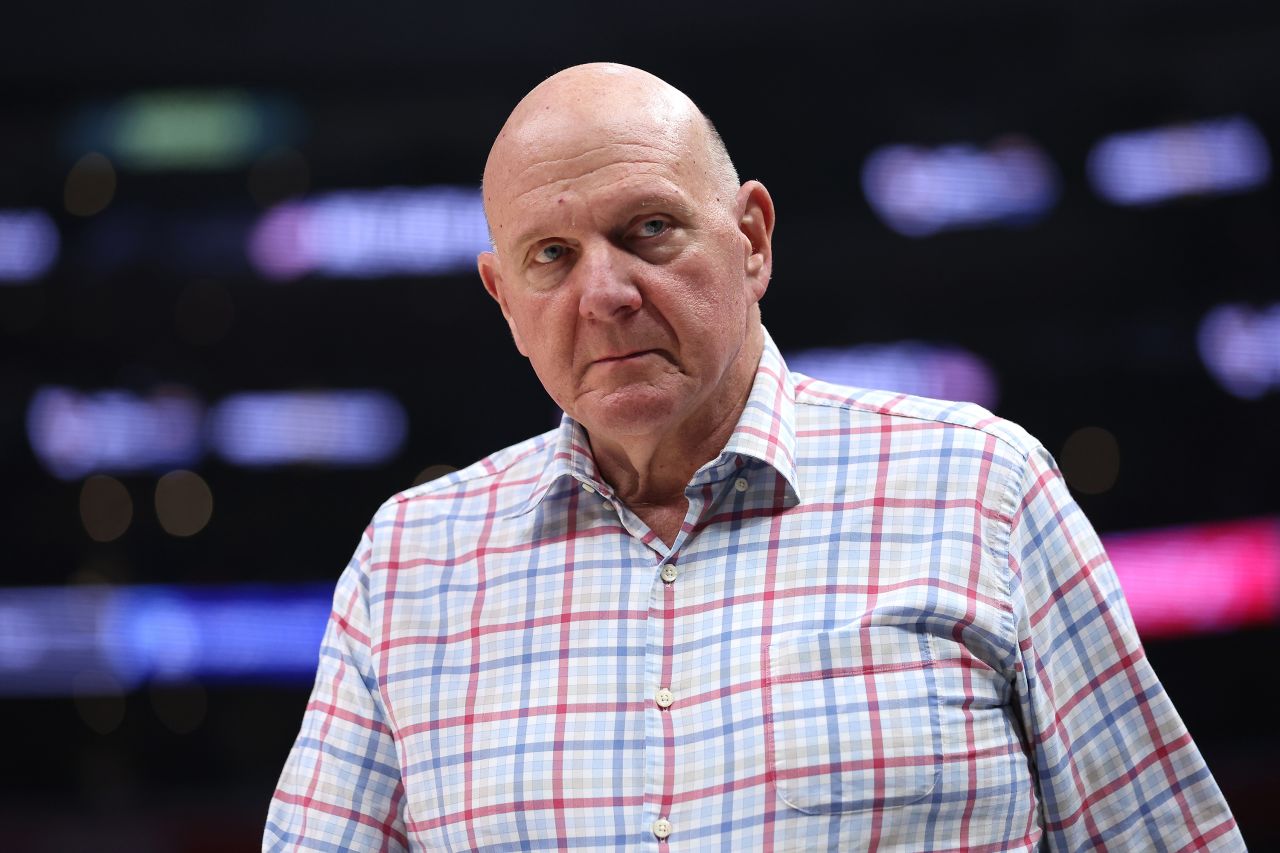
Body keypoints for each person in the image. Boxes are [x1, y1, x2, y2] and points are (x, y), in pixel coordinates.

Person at [266, 63, 1244, 851]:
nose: (603, 292)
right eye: (550, 257)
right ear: (502, 300)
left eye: (646, 229)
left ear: (751, 239)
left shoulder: (983, 488)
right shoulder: (409, 566)